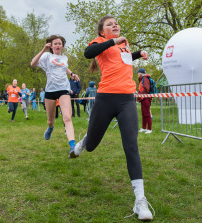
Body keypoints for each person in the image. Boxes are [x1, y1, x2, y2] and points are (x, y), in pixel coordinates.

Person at [69, 15, 154, 221]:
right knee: (93, 144)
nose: (115, 25)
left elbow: (122, 61)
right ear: (102, 32)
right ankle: (84, 142)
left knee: (131, 146)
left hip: (127, 100)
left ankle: (140, 200)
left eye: (116, 23)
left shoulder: (123, 45)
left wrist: (137, 53)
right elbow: (88, 53)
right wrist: (113, 41)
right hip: (106, 99)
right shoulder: (100, 43)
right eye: (109, 24)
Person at [31, 34, 80, 152]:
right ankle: (50, 128)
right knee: (50, 120)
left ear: (62, 46)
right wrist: (43, 49)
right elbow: (33, 64)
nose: (58, 45)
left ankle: (72, 146)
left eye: (59, 43)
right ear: (51, 46)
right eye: (55, 44)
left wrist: (72, 73)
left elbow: (64, 68)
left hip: (64, 89)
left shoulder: (65, 58)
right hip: (50, 91)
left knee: (67, 117)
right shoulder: (47, 56)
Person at [137, 68, 152, 134]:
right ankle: (143, 128)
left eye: (138, 73)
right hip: (143, 98)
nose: (137, 74)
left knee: (147, 114)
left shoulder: (145, 78)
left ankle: (149, 129)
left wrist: (140, 95)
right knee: (144, 113)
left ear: (140, 73)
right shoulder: (142, 79)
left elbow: (146, 88)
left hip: (146, 98)